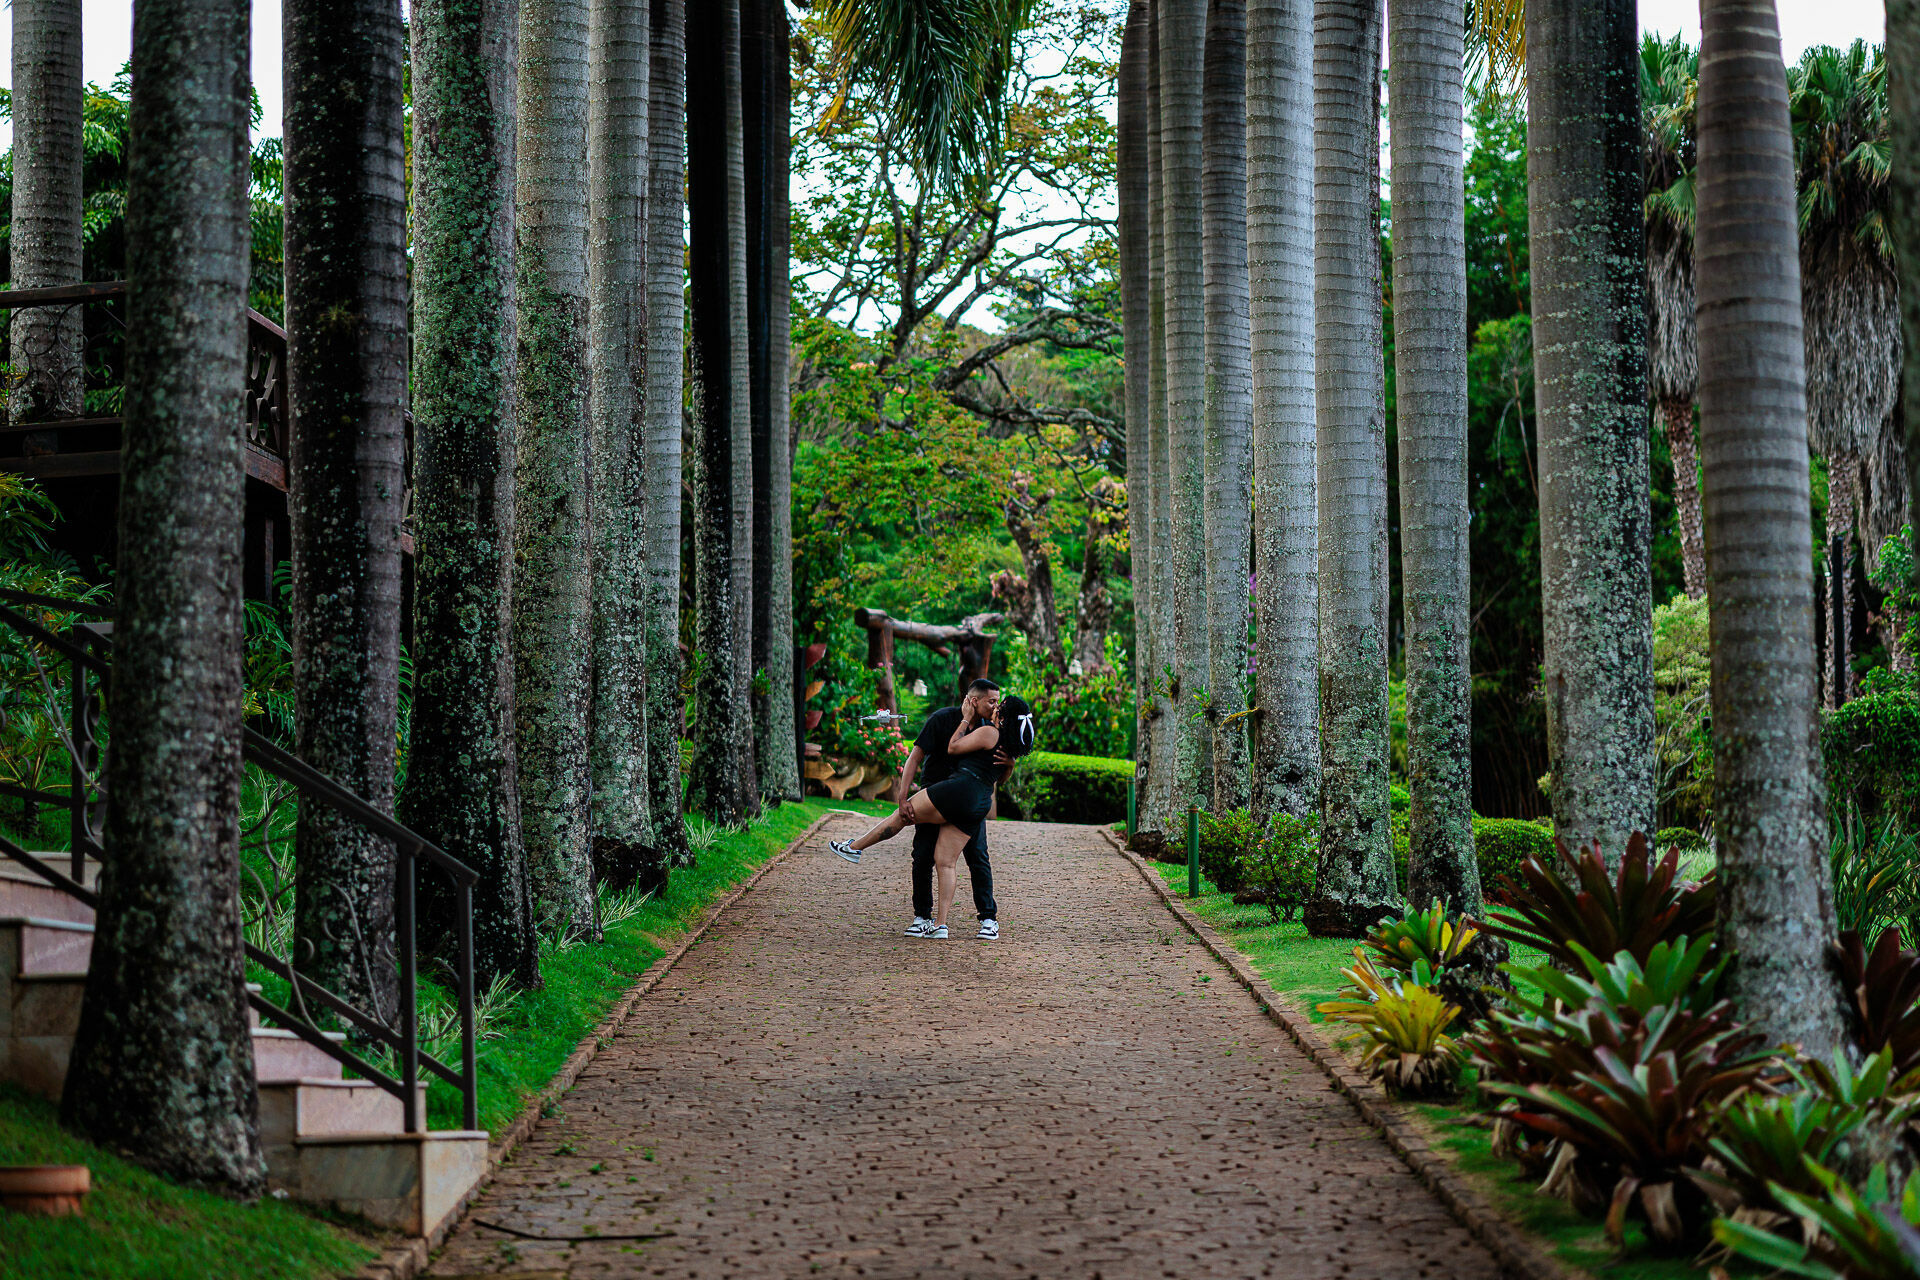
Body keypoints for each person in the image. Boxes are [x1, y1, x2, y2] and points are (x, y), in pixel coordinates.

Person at [829, 691, 1037, 938]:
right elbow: (1000, 777)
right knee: (945, 861)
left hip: (958, 789)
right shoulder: (1009, 745)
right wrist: (1011, 764)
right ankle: (940, 925)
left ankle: (854, 848)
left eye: (999, 706)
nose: (995, 708)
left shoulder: (990, 732)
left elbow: (953, 746)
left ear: (1003, 717)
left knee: (902, 816)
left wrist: (964, 720)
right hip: (978, 803)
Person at [898, 681, 1002, 939]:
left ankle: (988, 919)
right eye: (991, 701)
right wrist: (903, 797)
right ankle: (922, 916)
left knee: (977, 857)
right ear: (974, 700)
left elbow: (995, 771)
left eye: (997, 701)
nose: (996, 706)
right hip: (934, 796)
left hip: (967, 800)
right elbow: (915, 757)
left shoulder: (990, 730)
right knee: (922, 855)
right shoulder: (942, 718)